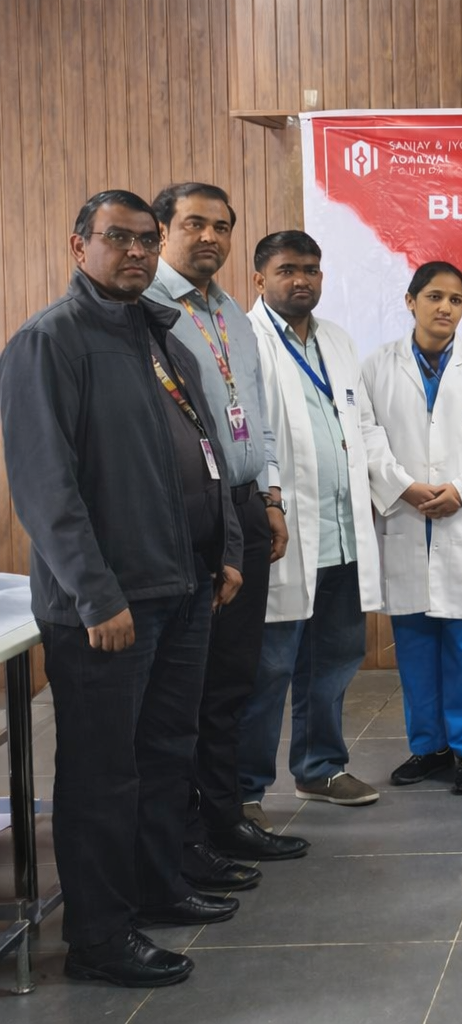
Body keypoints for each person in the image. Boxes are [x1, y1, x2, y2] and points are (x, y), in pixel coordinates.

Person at [0, 190, 244, 987]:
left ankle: (156, 885)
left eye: (145, 239)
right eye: (118, 238)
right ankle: (100, 937)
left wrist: (225, 548)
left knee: (166, 752)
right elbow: (45, 486)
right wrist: (95, 594)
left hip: (184, 584)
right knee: (102, 774)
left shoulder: (158, 335)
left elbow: (206, 450)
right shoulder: (50, 341)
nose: (136, 251)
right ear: (80, 247)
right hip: (110, 604)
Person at [142, 183, 294, 883]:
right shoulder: (145, 308)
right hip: (184, 510)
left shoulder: (230, 312)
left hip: (242, 504)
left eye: (222, 226)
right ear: (161, 230)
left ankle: (225, 817)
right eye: (194, 224)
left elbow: (253, 410)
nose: (210, 237)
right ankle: (183, 838)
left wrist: (268, 494)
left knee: (233, 675)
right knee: (183, 688)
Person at [243, 230, 384, 822]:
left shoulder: (338, 341)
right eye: (287, 270)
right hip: (285, 533)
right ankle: (243, 791)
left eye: (311, 269)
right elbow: (246, 434)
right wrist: (266, 498)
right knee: (269, 667)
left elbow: (364, 426)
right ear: (260, 279)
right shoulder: (246, 340)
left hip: (343, 533)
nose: (301, 280)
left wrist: (397, 487)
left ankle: (320, 767)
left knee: (335, 659)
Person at [364, 262, 462, 795]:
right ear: (411, 301)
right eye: (434, 296)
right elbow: (366, 434)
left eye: (455, 299)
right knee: (416, 649)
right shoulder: (377, 367)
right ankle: (429, 746)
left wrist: (460, 490)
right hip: (407, 518)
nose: (445, 307)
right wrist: (402, 486)